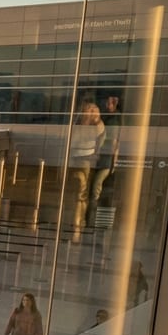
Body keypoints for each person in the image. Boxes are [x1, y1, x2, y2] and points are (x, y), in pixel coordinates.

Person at [69, 101, 105, 240]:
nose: (92, 112)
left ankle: (79, 225)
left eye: (94, 110)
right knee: (81, 193)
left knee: (82, 193)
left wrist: (95, 119)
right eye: (89, 110)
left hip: (85, 160)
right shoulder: (78, 125)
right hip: (75, 159)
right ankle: (79, 224)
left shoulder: (96, 126)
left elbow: (98, 133)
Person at [88, 94, 121, 226]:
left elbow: (112, 142)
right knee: (96, 187)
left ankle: (93, 219)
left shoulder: (113, 121)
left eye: (109, 103)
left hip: (106, 159)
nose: (106, 105)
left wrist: (113, 160)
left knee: (96, 187)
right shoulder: (108, 119)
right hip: (102, 158)